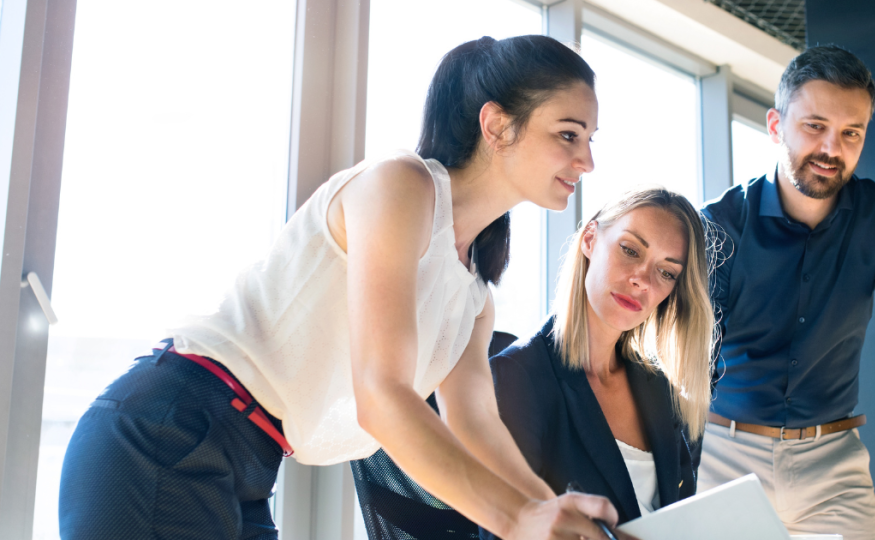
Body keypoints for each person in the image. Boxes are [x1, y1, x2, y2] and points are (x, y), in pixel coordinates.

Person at [58, 35, 623, 540]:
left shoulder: (474, 296)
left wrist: (555, 517)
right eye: (568, 134)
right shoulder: (401, 187)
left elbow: (476, 425)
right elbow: (382, 394)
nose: (588, 160)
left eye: (591, 139)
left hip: (252, 461)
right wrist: (517, 520)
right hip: (171, 429)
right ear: (497, 125)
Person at [696, 45, 875, 540]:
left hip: (834, 464)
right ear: (775, 125)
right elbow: (693, 356)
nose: (832, 148)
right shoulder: (719, 223)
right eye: (814, 126)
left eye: (852, 133)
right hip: (723, 455)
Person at [485, 187, 715, 537]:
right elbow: (505, 530)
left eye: (667, 272)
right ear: (590, 240)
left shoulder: (661, 389)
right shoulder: (518, 378)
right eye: (630, 250)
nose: (642, 279)